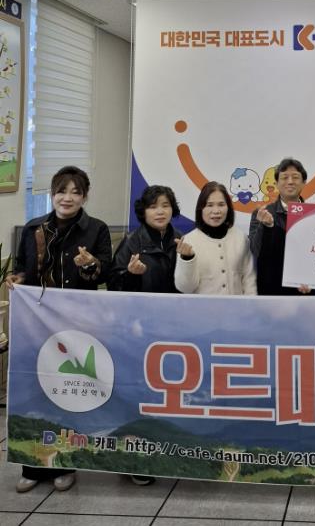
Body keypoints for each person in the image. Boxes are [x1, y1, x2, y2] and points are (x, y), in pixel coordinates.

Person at [6, 165, 112, 493]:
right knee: (34, 391)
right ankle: (32, 465)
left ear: (85, 197)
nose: (67, 198)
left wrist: (90, 264)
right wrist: (16, 278)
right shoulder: (34, 228)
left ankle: (66, 464)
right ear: (52, 194)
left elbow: (105, 273)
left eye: (75, 192)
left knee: (70, 392)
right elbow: (23, 269)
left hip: (77, 324)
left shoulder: (96, 229)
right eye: (61, 191)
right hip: (36, 323)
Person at [109, 184, 182, 486]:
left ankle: (167, 455)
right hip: (139, 333)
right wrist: (131, 275)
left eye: (165, 205)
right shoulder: (132, 242)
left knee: (167, 398)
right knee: (138, 397)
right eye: (153, 206)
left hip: (173, 332)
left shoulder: (181, 241)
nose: (160, 211)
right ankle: (135, 460)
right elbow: (114, 284)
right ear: (144, 211)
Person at [175, 181, 256, 295]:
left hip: (237, 306)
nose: (216, 211)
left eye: (221, 204)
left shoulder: (240, 238)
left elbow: (249, 280)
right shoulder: (189, 241)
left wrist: (250, 304)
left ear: (228, 208)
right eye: (209, 205)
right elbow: (185, 288)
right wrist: (187, 259)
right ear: (201, 208)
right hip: (203, 307)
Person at [248, 157, 311, 295]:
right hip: (271, 292)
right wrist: (265, 226)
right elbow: (255, 250)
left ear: (304, 182)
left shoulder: (314, 215)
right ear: (276, 183)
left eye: (295, 177)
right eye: (284, 177)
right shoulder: (262, 213)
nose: (290, 181)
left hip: (304, 291)